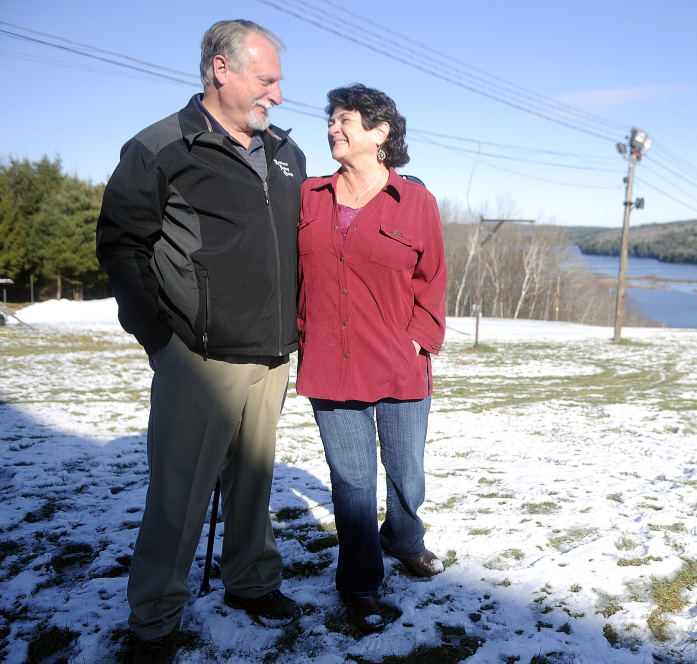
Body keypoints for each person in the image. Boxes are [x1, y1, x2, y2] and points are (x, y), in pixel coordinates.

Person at [96, 20, 306, 664]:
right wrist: (158, 338)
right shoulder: (162, 147)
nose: (278, 92)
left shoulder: (286, 153)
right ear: (222, 69)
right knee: (179, 494)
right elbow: (120, 242)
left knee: (255, 481)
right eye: (266, 77)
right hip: (198, 356)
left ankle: (250, 583)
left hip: (270, 353)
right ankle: (155, 620)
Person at [296, 84, 447, 633]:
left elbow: (432, 280)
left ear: (381, 132)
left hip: (400, 362)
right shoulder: (309, 197)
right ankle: (360, 582)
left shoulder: (417, 202)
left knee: (406, 473)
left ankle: (404, 538)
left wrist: (417, 339)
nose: (334, 128)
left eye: (346, 120)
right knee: (352, 483)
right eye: (331, 120)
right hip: (330, 364)